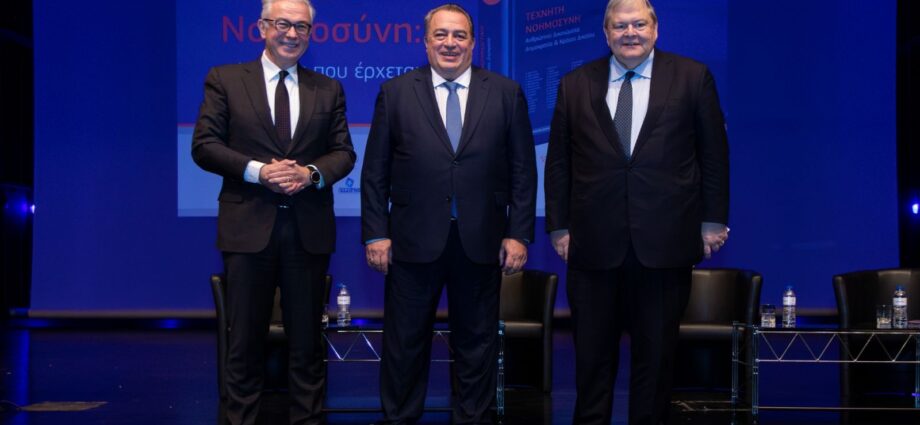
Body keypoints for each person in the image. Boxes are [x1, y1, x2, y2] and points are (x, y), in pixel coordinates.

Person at [544, 0, 730, 423]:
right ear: (606, 33)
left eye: (639, 24)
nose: (630, 33)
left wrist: (712, 220)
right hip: (592, 246)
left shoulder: (692, 76)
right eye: (620, 25)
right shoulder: (574, 83)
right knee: (592, 362)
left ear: (656, 29)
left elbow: (714, 156)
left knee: (657, 361)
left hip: (665, 244)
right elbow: (558, 163)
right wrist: (558, 227)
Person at [361, 4, 537, 424]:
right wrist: (376, 233)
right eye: (440, 34)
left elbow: (523, 171)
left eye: (459, 35)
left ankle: (472, 419)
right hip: (411, 240)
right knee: (405, 343)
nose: (450, 43)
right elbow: (375, 171)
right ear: (425, 42)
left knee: (477, 343)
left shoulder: (506, 92)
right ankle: (400, 418)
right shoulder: (395, 92)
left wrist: (518, 233)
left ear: (473, 43)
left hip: (482, 240)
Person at [191, 0, 355, 423]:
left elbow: (343, 153)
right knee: (244, 344)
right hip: (247, 229)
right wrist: (258, 171)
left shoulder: (328, 88)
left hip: (308, 232)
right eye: (283, 24)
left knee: (308, 346)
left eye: (302, 27)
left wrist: (310, 174)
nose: (292, 34)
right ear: (262, 27)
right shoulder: (226, 79)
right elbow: (205, 146)